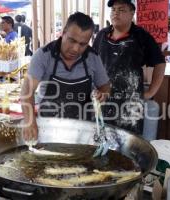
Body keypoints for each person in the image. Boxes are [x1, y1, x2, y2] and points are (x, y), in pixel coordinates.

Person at [21, 12, 111, 142]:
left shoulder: (93, 58)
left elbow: (105, 86)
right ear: (63, 33)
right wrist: (30, 121)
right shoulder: (44, 55)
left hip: (83, 132)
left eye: (82, 44)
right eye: (72, 40)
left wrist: (103, 94)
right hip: (48, 130)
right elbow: (26, 92)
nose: (75, 49)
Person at [93, 0, 165, 135]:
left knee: (128, 147)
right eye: (114, 9)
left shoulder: (141, 36)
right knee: (101, 140)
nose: (116, 13)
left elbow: (160, 63)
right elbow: (92, 63)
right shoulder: (102, 35)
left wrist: (151, 92)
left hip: (130, 106)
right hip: (103, 102)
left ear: (132, 13)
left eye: (121, 10)